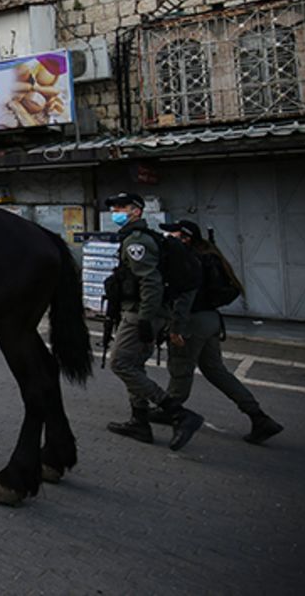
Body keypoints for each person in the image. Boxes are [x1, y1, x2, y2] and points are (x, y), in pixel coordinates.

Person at [157, 220, 283, 444]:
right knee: (215, 370)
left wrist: (176, 327)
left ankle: (173, 411)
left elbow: (184, 298)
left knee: (180, 368)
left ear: (185, 238)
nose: (168, 239)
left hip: (192, 321)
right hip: (210, 320)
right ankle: (259, 417)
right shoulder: (208, 254)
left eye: (173, 235)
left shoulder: (189, 260)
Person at [104, 192, 204, 450]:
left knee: (120, 363)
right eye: (114, 207)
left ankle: (179, 414)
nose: (116, 210)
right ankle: (139, 422)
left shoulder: (136, 240)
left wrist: (145, 320)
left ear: (136, 211)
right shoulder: (134, 237)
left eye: (121, 207)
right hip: (145, 311)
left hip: (141, 312)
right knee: (134, 365)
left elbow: (151, 282)